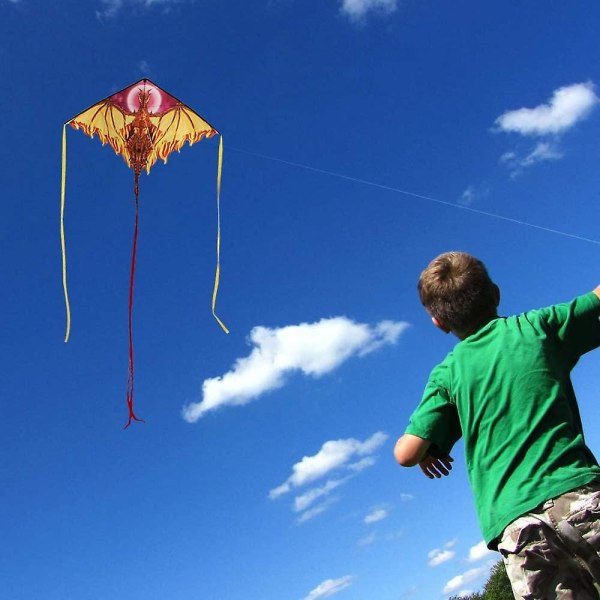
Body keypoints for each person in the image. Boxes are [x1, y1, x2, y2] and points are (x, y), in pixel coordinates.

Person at [394, 251, 600, 599]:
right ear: (495, 294)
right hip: (579, 496)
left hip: (518, 527)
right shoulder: (537, 327)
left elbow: (406, 452)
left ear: (438, 323)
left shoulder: (447, 374)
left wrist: (429, 446)